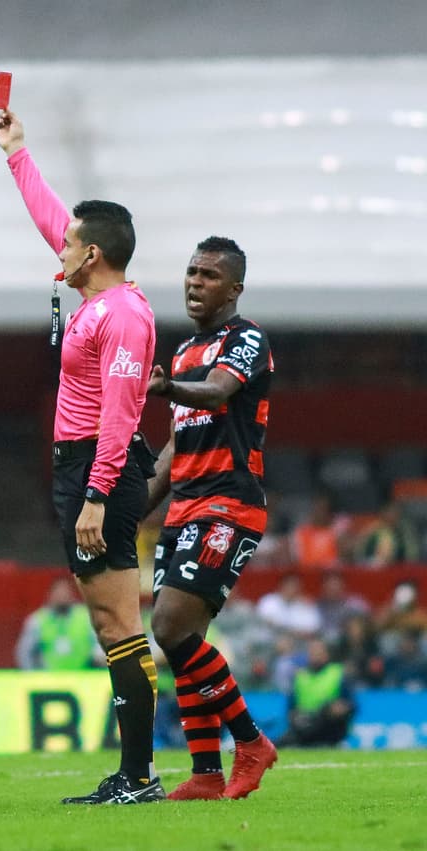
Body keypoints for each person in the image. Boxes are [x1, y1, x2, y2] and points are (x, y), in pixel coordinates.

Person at [0, 111, 161, 804]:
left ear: (92, 255)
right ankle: (133, 773)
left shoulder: (122, 315)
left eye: (69, 244)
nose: (57, 246)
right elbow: (53, 218)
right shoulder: (98, 298)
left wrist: (95, 494)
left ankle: (139, 775)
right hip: (82, 468)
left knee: (120, 623)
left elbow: (120, 414)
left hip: (100, 470)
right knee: (108, 624)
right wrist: (17, 154)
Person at [143, 236, 280, 800]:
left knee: (169, 627)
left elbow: (218, 392)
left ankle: (251, 742)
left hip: (228, 502)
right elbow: (176, 445)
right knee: (183, 643)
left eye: (209, 275)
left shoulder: (246, 340)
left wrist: (169, 388)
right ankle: (205, 772)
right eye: (192, 272)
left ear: (234, 289)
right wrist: (129, 510)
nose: (195, 282)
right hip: (183, 508)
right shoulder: (182, 353)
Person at [280, 639, 356, 747]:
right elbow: (290, 708)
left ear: (327, 654)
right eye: (312, 653)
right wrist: (295, 716)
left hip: (331, 726)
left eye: (319, 653)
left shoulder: (337, 673)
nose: (316, 656)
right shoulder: (300, 676)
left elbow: (352, 704)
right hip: (306, 724)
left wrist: (341, 708)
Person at [15, 578, 97, 671]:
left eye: (65, 593)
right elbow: (25, 652)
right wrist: (32, 675)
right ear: (50, 595)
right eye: (58, 593)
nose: (62, 596)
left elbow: (100, 646)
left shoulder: (86, 616)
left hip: (84, 676)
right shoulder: (38, 620)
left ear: (72, 594)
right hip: (49, 677)